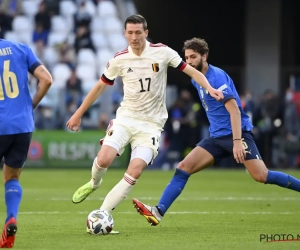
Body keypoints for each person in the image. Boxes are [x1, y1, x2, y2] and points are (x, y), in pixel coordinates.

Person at [66, 16, 223, 233]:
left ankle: (104, 212)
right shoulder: (119, 59)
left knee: (135, 170)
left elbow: (192, 71)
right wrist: (78, 114)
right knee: (103, 159)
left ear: (146, 33)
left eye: (138, 32)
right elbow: (99, 87)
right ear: (124, 34)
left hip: (151, 125)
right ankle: (94, 183)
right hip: (126, 118)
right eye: (130, 33)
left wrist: (209, 88)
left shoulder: (163, 52)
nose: (134, 37)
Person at [132, 37, 300, 226]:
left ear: (205, 56)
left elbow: (234, 110)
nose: (189, 62)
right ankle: (158, 211)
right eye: (186, 58)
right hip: (216, 138)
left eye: (193, 57)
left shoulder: (217, 77)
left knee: (262, 176)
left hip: (238, 134)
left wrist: (237, 142)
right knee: (183, 167)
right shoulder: (197, 79)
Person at [0, 37, 52, 247]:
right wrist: (30, 106)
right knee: (11, 175)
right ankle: (11, 216)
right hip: (22, 125)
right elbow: (46, 79)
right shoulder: (20, 49)